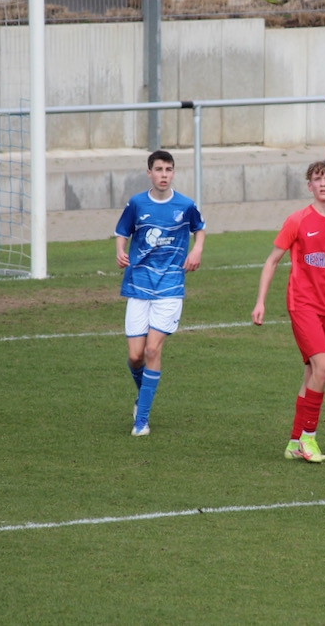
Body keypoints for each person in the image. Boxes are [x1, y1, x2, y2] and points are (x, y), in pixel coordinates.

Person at [251, 160, 325, 463]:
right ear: (310, 186)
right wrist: (261, 301)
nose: (324, 183)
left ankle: (293, 442)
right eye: (318, 179)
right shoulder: (298, 220)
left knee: (312, 374)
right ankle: (308, 439)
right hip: (302, 304)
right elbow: (272, 260)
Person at [115, 149, 206, 436]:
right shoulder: (137, 203)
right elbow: (123, 230)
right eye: (158, 169)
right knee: (134, 356)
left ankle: (141, 421)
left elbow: (199, 228)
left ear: (173, 172)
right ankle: (143, 398)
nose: (163, 175)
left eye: (168, 169)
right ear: (149, 173)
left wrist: (197, 249)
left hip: (170, 286)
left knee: (153, 349)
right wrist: (119, 250)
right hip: (138, 285)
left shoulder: (186, 205)